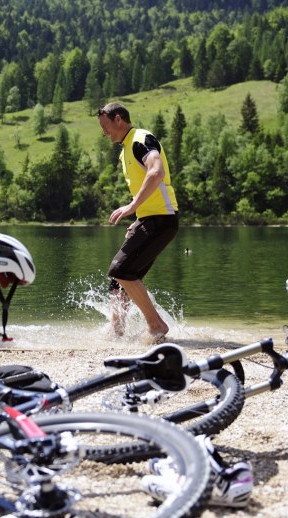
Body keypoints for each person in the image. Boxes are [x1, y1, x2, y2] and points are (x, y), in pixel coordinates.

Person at [97, 102, 179, 342]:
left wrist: (132, 207)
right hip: (151, 219)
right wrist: (138, 218)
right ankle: (117, 331)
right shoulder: (126, 149)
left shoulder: (140, 139)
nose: (104, 132)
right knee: (118, 281)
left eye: (105, 126)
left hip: (162, 220)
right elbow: (148, 183)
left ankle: (156, 325)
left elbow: (157, 172)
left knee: (121, 270)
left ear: (118, 119)